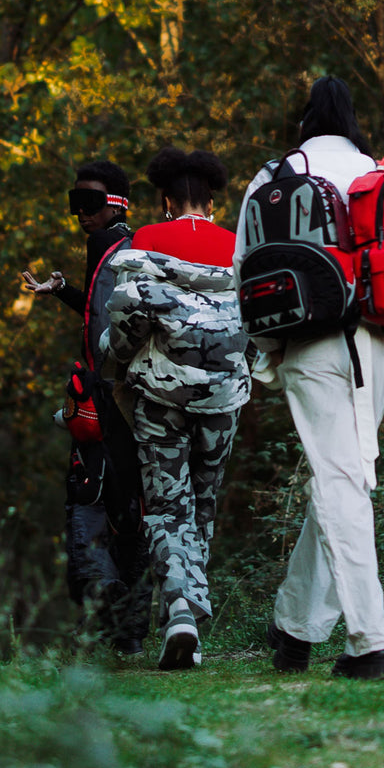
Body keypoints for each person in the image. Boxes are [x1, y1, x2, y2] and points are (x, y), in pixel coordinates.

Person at [234, 77, 384, 680]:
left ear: (305, 119)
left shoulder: (277, 176)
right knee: (344, 480)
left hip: (314, 346)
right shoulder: (381, 176)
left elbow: (245, 271)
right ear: (355, 120)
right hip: (382, 341)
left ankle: (372, 643)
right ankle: (295, 628)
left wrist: (267, 354)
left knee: (338, 483)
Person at [103, 147, 251, 670]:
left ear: (167, 200)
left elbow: (127, 321)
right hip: (224, 397)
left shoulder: (146, 241)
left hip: (160, 396)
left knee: (167, 506)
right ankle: (187, 618)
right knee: (203, 505)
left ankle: (180, 609)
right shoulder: (237, 247)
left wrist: (114, 360)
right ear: (211, 201)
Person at [22, 160, 153, 656]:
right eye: (75, 204)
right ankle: (131, 633)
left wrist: (97, 389)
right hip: (137, 397)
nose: (81, 214)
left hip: (104, 398)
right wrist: (62, 292)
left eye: (90, 204)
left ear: (116, 203)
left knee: (90, 500)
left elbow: (110, 326)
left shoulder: (105, 244)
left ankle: (110, 606)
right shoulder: (132, 243)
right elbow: (108, 311)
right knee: (132, 508)